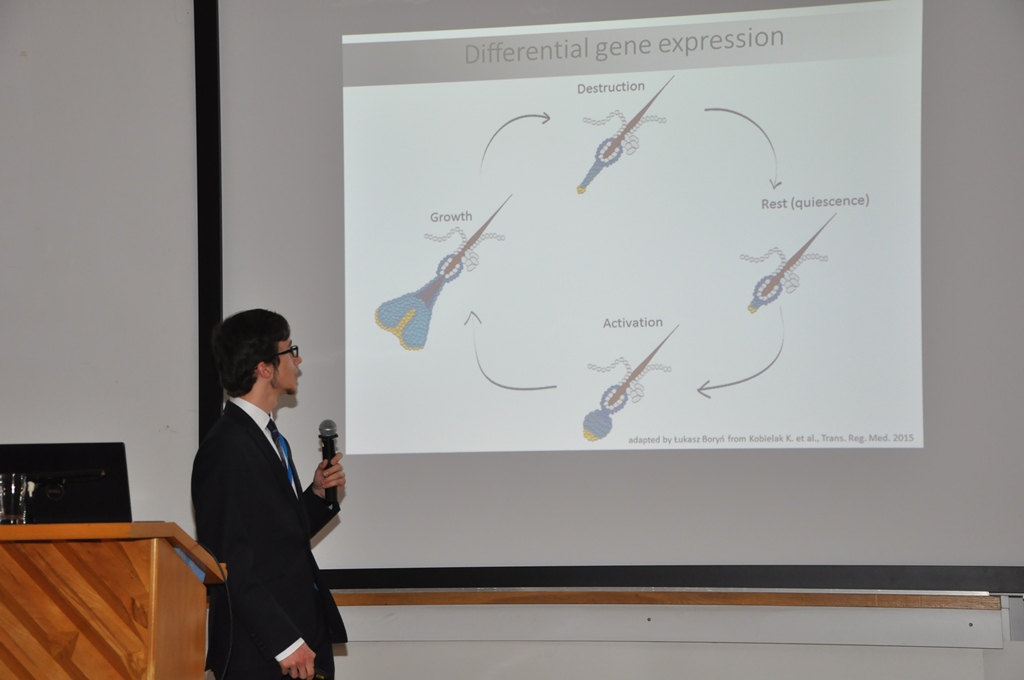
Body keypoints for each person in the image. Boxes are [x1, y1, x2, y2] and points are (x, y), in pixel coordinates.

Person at [192, 309, 347, 679]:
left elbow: (275, 540)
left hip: (298, 638)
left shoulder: (266, 437)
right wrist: (284, 643)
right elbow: (229, 560)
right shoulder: (226, 448)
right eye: (289, 350)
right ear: (264, 368)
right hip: (265, 654)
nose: (298, 360)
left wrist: (317, 494)